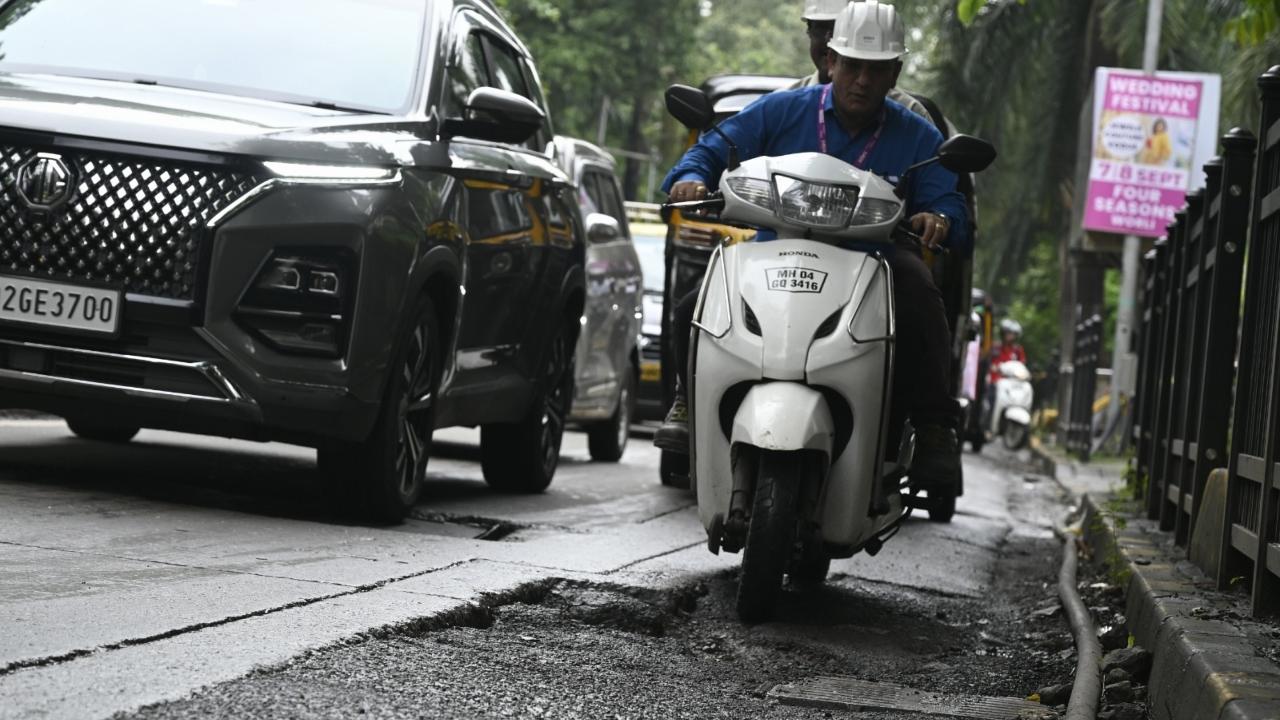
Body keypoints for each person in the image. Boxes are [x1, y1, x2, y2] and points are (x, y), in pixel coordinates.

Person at [654, 0, 968, 493]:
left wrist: (939, 218)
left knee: (922, 297)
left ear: (895, 74)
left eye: (877, 70)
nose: (862, 81)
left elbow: (949, 200)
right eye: (853, 66)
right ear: (831, 62)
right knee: (694, 305)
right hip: (776, 254)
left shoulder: (917, 135)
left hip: (874, 268)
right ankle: (689, 400)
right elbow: (712, 148)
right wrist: (692, 177)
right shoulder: (782, 111)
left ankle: (933, 429)